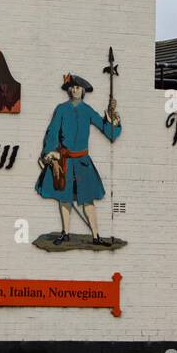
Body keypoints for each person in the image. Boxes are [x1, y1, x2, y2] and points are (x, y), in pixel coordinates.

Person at [36, 73, 120, 246]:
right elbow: (52, 132)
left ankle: (96, 236)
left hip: (82, 161)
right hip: (64, 160)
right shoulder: (61, 109)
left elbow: (108, 131)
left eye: (78, 88)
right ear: (69, 90)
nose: (74, 90)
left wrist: (114, 119)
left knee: (88, 199)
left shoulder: (87, 110)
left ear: (83, 91)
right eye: (72, 87)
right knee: (64, 197)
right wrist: (49, 152)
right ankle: (65, 233)